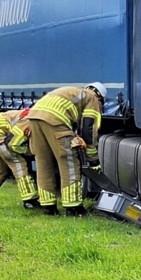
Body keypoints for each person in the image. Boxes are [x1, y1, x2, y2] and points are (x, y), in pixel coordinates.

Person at [27, 83, 105, 217]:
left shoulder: (74, 92)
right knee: (69, 162)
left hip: (34, 117)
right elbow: (89, 127)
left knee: (43, 163)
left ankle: (48, 207)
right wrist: (93, 159)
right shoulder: (92, 97)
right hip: (55, 120)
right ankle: (73, 207)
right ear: (100, 96)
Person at [0, 109, 39, 209]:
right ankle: (30, 200)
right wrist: (28, 152)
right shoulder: (29, 121)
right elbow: (13, 144)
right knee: (18, 163)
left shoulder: (32, 115)